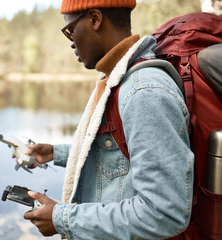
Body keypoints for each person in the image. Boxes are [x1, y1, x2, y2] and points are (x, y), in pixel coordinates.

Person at [23, 0, 194, 239]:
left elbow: (164, 212)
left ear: (94, 19)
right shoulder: (116, 80)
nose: (71, 42)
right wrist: (54, 152)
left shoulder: (144, 91)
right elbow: (117, 154)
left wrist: (62, 218)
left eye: (70, 30)